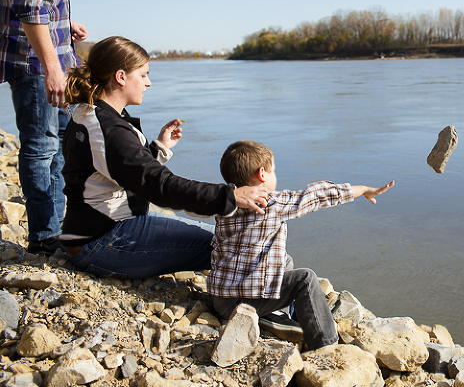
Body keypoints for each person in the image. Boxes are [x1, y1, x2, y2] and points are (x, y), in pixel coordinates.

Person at [60, 36, 268, 279]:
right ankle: (269, 310)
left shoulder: (91, 113)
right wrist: (229, 196)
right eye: (144, 75)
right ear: (121, 77)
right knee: (246, 249)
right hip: (104, 242)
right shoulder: (107, 128)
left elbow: (123, 171)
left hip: (96, 233)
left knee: (231, 241)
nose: (148, 83)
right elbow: (159, 184)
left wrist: (159, 148)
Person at [209, 139, 394, 351]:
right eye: (273, 171)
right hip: (241, 304)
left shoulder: (224, 204)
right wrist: (362, 189)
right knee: (305, 279)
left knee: (284, 259)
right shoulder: (271, 204)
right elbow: (315, 196)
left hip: (220, 299)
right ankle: (325, 344)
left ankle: (274, 315)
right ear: (262, 174)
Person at [0, 0, 100, 254]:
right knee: (43, 150)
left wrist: (62, 22)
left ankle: (59, 229)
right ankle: (45, 239)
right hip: (37, 64)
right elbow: (28, 7)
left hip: (45, 55)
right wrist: (52, 67)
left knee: (59, 148)